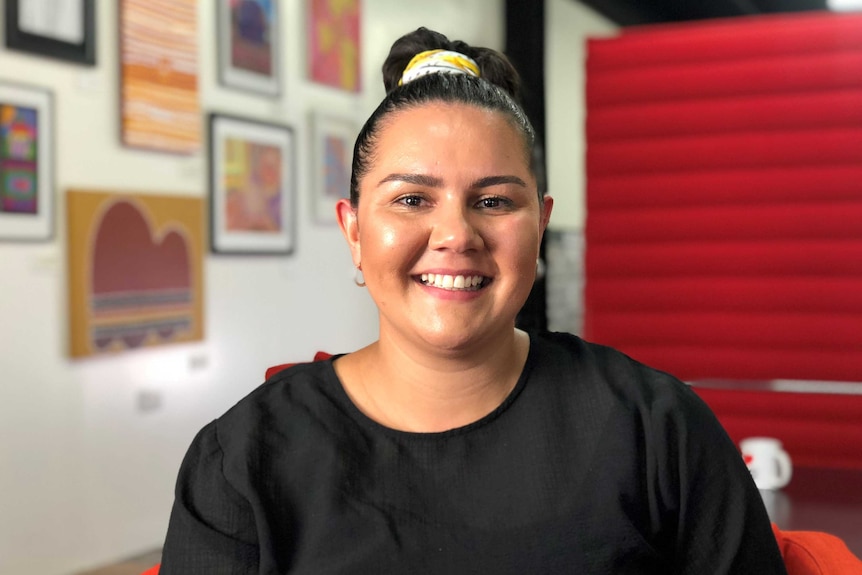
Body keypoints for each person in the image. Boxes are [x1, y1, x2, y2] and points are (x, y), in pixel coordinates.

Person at [159, 27, 787, 574]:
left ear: (539, 226)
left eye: (493, 201)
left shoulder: (657, 430)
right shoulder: (244, 460)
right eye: (411, 200)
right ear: (353, 230)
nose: (456, 235)